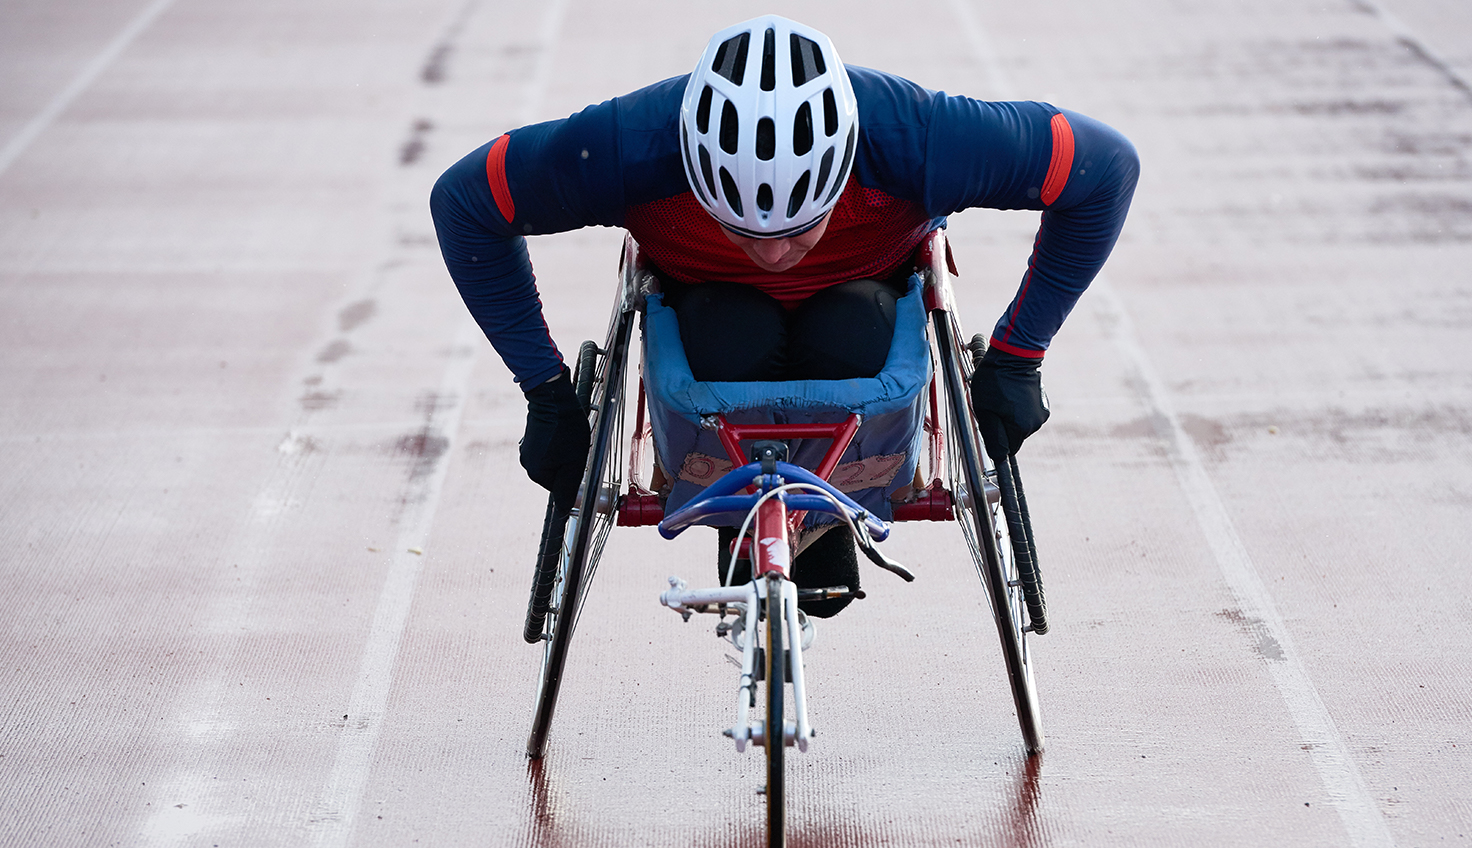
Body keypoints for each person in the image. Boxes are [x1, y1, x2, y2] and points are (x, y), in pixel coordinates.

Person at [431, 15, 1138, 612]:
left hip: (863, 302)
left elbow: (1105, 168)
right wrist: (545, 391)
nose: (775, 255)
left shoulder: (921, 138)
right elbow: (464, 204)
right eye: (746, 230)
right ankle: (734, 498)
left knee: (853, 324)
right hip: (709, 312)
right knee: (728, 329)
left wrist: (1020, 354)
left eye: (801, 229)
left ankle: (829, 509)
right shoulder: (627, 146)